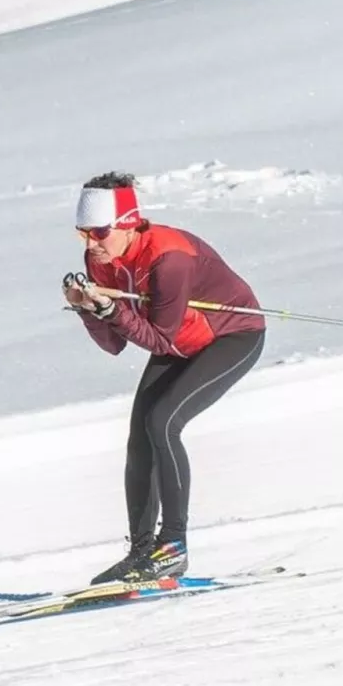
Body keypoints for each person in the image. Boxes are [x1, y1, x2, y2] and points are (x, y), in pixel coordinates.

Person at [64, 172, 266, 585]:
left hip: (231, 338)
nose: (91, 243)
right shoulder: (98, 260)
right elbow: (114, 345)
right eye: (82, 233)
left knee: (162, 422)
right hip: (179, 342)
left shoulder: (168, 258)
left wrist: (110, 311)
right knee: (139, 437)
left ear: (128, 224)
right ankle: (142, 554)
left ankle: (172, 547)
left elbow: (158, 339)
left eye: (100, 232)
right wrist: (90, 309)